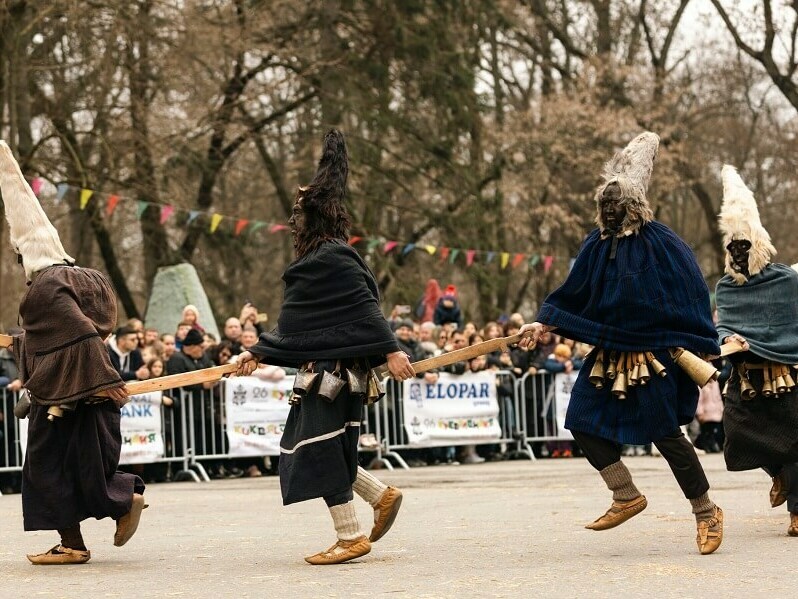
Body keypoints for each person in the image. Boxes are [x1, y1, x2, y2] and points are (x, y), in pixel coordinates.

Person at [519, 132, 723, 555]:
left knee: (665, 435)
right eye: (605, 203)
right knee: (581, 419)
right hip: (608, 352)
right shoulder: (595, 245)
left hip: (654, 353)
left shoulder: (663, 243)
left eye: (617, 203)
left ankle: (706, 511)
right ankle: (625, 494)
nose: (609, 210)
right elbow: (573, 293)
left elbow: (691, 292)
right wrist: (542, 323)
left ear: (634, 204)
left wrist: (702, 340)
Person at [236, 129, 413, 565]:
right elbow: (296, 323)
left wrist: (392, 350)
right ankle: (379, 495)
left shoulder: (332, 256)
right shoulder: (318, 259)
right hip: (326, 370)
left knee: (316, 447)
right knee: (325, 445)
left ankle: (350, 537)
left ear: (316, 217)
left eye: (298, 213)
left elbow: (364, 306)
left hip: (332, 375)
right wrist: (258, 352)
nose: (291, 220)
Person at [0, 141, 146, 565]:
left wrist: (104, 378)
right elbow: (85, 329)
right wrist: (19, 341)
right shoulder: (89, 277)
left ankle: (93, 527)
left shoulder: (43, 288)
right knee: (85, 465)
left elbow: (79, 334)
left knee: (45, 468)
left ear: (25, 252)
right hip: (88, 393)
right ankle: (112, 509)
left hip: (65, 395)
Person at [714, 165, 798, 536]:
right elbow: (724, 325)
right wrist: (728, 341)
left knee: (794, 442)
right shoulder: (726, 287)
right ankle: (778, 474)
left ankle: (797, 513)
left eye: (743, 246)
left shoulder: (787, 280)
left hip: (785, 373)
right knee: (737, 436)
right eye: (732, 248)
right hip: (745, 375)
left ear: (758, 245)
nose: (737, 253)